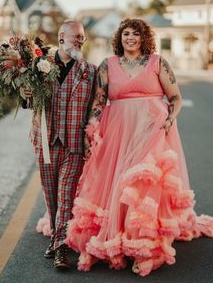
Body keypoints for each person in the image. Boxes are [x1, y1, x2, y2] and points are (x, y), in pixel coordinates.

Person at [65, 18, 213, 276]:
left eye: (135, 34)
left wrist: (169, 118)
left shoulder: (158, 63)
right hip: (117, 132)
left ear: (144, 38)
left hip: (151, 129)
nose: (130, 38)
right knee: (118, 183)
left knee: (143, 185)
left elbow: (175, 98)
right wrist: (92, 129)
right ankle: (119, 235)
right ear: (119, 39)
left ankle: (143, 245)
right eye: (125, 34)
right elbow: (99, 102)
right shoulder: (107, 65)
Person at [25, 21, 97, 270]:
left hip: (74, 144)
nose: (80, 41)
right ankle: (57, 236)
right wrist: (26, 96)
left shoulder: (90, 71)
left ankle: (61, 248)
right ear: (61, 37)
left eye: (83, 37)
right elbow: (28, 102)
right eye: (76, 36)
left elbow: (95, 109)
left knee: (66, 196)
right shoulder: (37, 66)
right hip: (45, 141)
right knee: (51, 196)